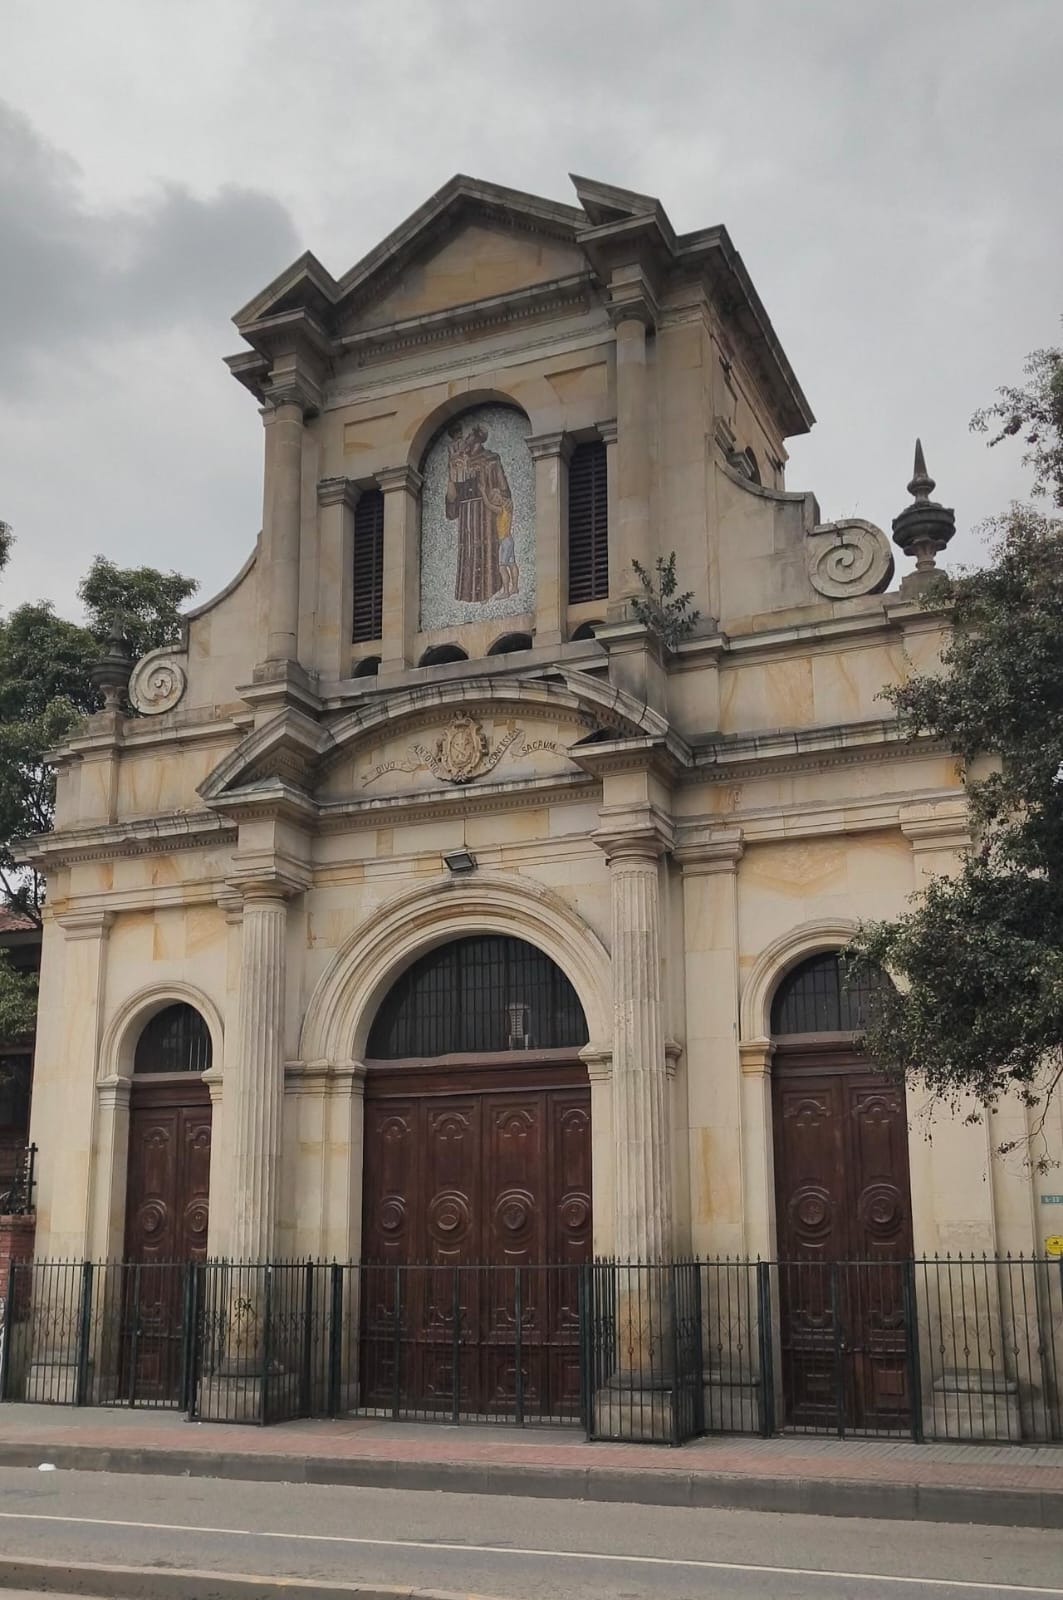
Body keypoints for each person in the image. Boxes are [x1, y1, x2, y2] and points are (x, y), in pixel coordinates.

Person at [445, 421, 515, 603]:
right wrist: (451, 472)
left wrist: (499, 497)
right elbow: (452, 497)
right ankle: (467, 595)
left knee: (487, 549)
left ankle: (490, 591)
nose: (464, 440)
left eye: (468, 436)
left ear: (476, 438)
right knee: (468, 550)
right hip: (467, 514)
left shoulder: (491, 459)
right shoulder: (459, 460)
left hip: (486, 514)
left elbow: (504, 489)